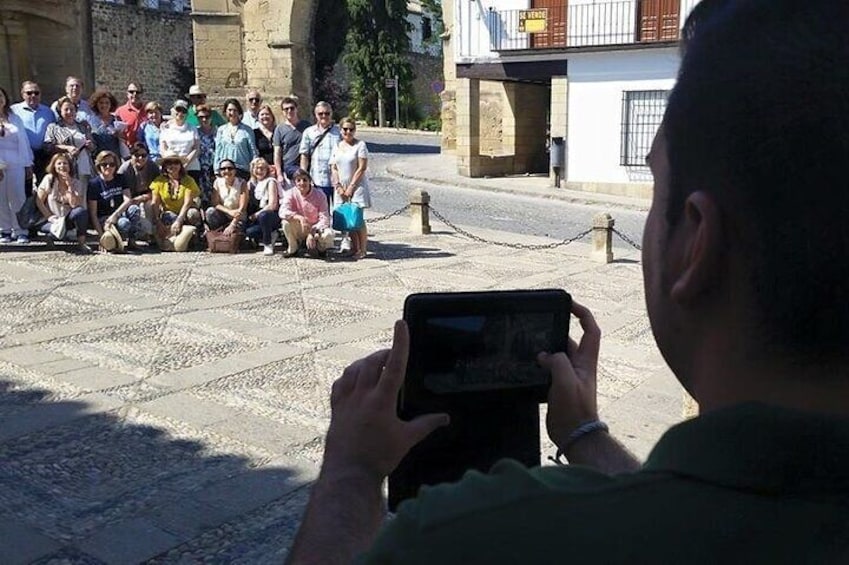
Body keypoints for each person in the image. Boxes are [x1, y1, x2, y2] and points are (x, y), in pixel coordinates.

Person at [288, 0, 849, 562]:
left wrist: (352, 470)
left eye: (658, 187)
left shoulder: (458, 535)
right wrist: (585, 435)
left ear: (695, 246)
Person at [330, 117, 372, 259]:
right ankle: (354, 248)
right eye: (345, 129)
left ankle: (363, 249)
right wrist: (338, 186)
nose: (348, 132)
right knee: (349, 219)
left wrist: (351, 187)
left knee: (357, 218)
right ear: (340, 130)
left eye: (351, 129)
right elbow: (333, 167)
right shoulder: (337, 145)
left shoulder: (360, 145)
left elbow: (362, 167)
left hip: (357, 186)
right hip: (341, 187)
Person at [35, 152, 91, 253]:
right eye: (59, 163)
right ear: (54, 166)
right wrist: (49, 216)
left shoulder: (77, 183)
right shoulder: (49, 179)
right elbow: (39, 201)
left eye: (65, 163)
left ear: (70, 166)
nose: (62, 166)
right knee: (57, 231)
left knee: (81, 212)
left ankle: (82, 243)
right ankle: (52, 236)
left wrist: (70, 186)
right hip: (49, 219)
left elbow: (75, 205)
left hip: (66, 220)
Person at [87, 150, 141, 251]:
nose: (108, 167)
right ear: (99, 165)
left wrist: (115, 215)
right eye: (104, 164)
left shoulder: (120, 178)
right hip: (104, 218)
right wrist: (101, 237)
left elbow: (128, 199)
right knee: (124, 223)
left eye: (112, 164)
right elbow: (93, 214)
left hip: (118, 213)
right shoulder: (94, 184)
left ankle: (132, 240)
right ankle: (113, 240)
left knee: (134, 209)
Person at [0, 86, 34, 243]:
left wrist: (28, 164)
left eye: (1, 96)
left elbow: (24, 142)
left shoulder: (15, 118)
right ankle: (5, 230)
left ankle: (20, 230)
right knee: (1, 198)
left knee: (18, 197)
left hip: (16, 164)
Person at [149, 151, 201, 252]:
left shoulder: (188, 180)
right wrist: (157, 221)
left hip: (185, 214)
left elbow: (188, 202)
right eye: (169, 163)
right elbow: (155, 202)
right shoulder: (158, 181)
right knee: (167, 216)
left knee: (193, 213)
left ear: (180, 166)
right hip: (169, 214)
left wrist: (179, 220)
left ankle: (194, 238)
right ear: (165, 166)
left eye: (176, 163)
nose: (173, 165)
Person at [44, 97, 95, 195]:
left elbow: (94, 148)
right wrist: (66, 148)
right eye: (66, 109)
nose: (69, 112)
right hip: (68, 170)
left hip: (86, 168)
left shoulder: (83, 126)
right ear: (60, 111)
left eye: (72, 109)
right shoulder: (54, 127)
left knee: (88, 197)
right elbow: (47, 147)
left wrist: (90, 145)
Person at [11, 81, 54, 192]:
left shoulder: (48, 112)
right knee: (26, 187)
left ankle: (42, 209)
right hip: (23, 154)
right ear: (22, 94)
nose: (33, 96)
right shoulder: (13, 111)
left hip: (44, 155)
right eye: (29, 93)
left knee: (45, 187)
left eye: (36, 93)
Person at [279, 168, 333, 258]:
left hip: (315, 228)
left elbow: (325, 218)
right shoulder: (290, 193)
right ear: (295, 183)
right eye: (298, 180)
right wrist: (299, 217)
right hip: (300, 227)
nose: (302, 183)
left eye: (304, 180)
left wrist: (312, 232)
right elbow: (282, 211)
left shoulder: (320, 195)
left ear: (310, 181)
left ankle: (321, 249)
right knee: (285, 222)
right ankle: (293, 248)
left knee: (329, 234)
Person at [299, 101, 340, 209]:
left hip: (337, 179)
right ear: (315, 115)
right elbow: (304, 155)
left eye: (327, 113)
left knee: (339, 213)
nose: (324, 116)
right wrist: (304, 175)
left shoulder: (339, 132)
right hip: (318, 178)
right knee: (321, 212)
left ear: (331, 114)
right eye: (320, 113)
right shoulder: (309, 132)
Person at [117, 142, 159, 240]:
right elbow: (119, 191)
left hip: (147, 195)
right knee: (134, 210)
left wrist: (144, 197)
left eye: (143, 155)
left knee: (150, 205)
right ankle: (132, 235)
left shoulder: (153, 167)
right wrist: (131, 200)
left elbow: (158, 189)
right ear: (131, 155)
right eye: (136, 155)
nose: (140, 158)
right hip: (128, 198)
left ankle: (150, 234)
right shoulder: (124, 169)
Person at [213, 98, 258, 180]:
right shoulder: (221, 130)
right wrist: (216, 170)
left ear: (239, 112)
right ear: (225, 112)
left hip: (242, 170)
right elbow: (218, 151)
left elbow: (253, 151)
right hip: (226, 170)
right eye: (230, 110)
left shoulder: (247, 130)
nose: (232, 113)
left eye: (235, 110)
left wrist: (254, 170)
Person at [245, 157, 282, 255]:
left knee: (264, 215)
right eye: (256, 168)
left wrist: (256, 215)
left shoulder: (271, 182)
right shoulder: (250, 184)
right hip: (257, 218)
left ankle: (268, 244)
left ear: (267, 170)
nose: (259, 171)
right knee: (249, 231)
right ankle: (271, 234)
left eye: (262, 168)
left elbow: (272, 205)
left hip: (270, 215)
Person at [159, 99, 201, 186]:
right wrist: (173, 164)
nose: (180, 113)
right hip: (171, 168)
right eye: (178, 110)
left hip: (191, 167)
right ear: (173, 111)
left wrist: (184, 164)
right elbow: (163, 148)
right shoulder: (166, 128)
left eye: (183, 111)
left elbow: (196, 148)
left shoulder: (192, 128)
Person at [205, 158, 248, 237]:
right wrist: (229, 212)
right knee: (210, 212)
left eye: (230, 168)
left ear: (235, 170)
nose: (227, 171)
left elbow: (243, 207)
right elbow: (215, 203)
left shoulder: (242, 183)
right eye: (223, 169)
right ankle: (217, 236)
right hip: (223, 216)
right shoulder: (217, 182)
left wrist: (233, 224)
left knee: (234, 233)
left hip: (239, 218)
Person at [273, 94, 311, 182]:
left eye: (292, 108)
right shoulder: (279, 129)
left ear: (296, 109)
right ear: (282, 112)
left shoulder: (307, 126)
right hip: (289, 167)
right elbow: (277, 153)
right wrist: (279, 174)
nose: (289, 111)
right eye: (286, 109)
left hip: (307, 166)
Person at [87, 89, 128, 159]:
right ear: (96, 104)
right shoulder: (90, 120)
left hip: (115, 158)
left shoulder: (116, 119)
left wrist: (119, 136)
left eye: (107, 103)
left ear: (111, 104)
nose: (104, 105)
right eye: (101, 103)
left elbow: (124, 139)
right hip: (98, 158)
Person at [195, 103, 217, 207]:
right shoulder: (195, 132)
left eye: (206, 117)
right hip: (200, 170)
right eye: (201, 117)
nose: (204, 119)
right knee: (201, 198)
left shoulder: (218, 131)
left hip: (215, 170)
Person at [115, 82, 145, 147]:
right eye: (131, 92)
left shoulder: (148, 111)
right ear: (127, 94)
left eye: (137, 92)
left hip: (146, 151)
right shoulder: (120, 112)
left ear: (142, 94)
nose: (134, 94)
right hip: (128, 150)